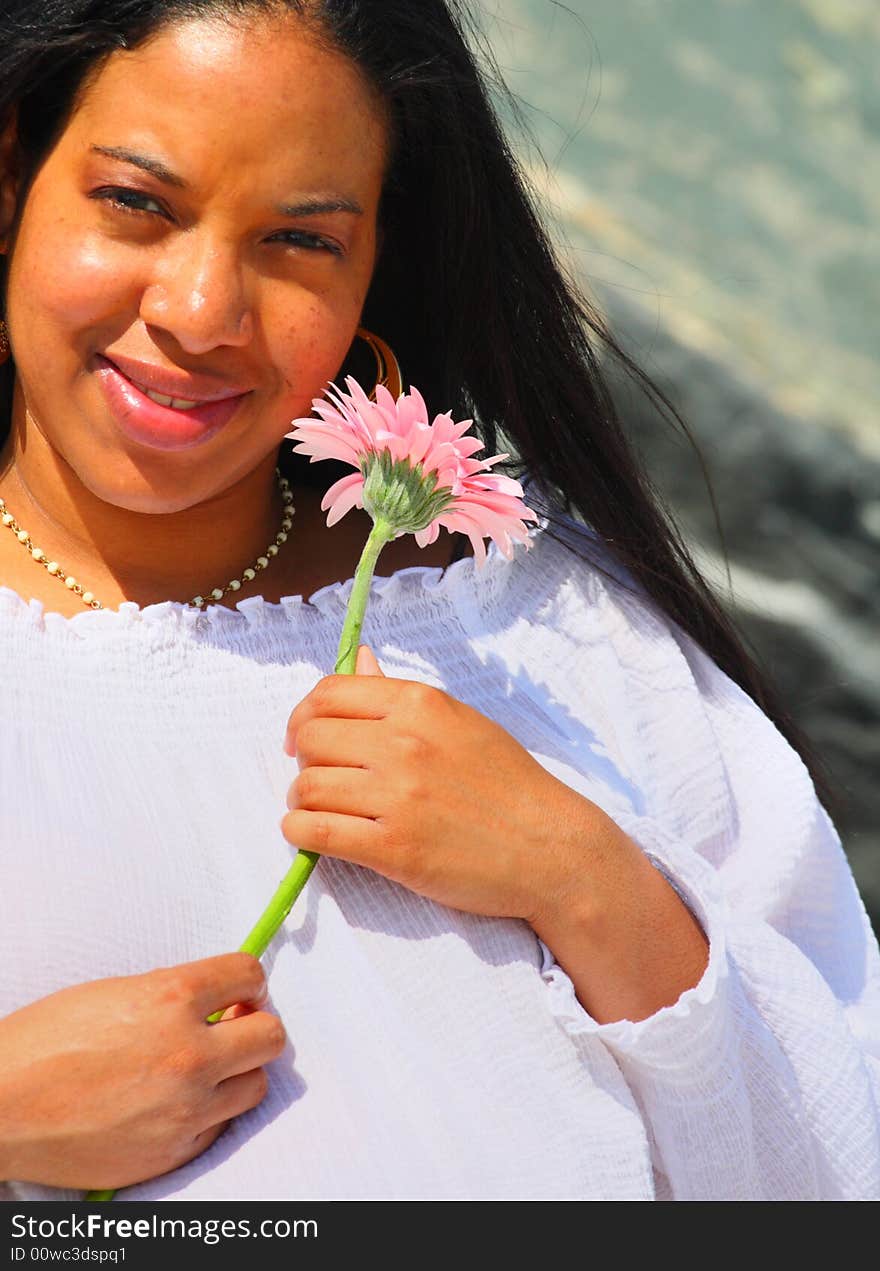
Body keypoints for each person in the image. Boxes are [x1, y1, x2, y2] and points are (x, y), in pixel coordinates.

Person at [0, 0, 876, 1203]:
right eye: (137, 205)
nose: (200, 312)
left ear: (374, 275)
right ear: (12, 178)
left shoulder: (545, 627)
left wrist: (589, 880)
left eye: (299, 242)